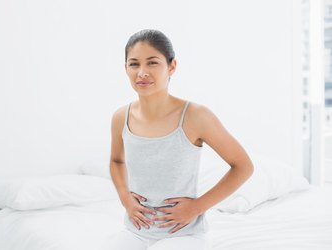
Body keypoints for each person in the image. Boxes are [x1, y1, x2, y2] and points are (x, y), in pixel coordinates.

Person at [101, 29, 254, 250]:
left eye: (152, 63)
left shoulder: (196, 116)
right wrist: (125, 199)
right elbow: (116, 161)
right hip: (136, 231)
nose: (142, 72)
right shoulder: (120, 117)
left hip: (182, 235)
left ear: (171, 66)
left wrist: (197, 207)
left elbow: (243, 166)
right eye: (134, 64)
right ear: (126, 68)